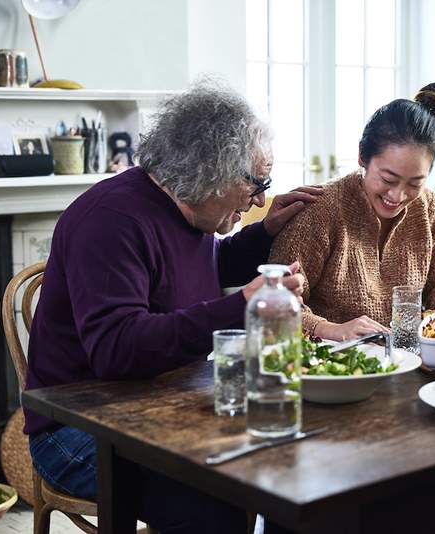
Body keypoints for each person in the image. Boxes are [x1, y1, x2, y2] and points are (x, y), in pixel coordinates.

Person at [23, 81, 322, 533]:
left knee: (287, 469)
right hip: (80, 427)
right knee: (213, 501)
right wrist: (243, 305)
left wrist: (265, 233)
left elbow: (201, 268)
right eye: (256, 183)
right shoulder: (111, 221)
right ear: (212, 172)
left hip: (159, 404)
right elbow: (116, 349)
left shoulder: (188, 208)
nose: (260, 199)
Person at [269, 82, 435, 340]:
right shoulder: (319, 210)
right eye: (387, 179)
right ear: (362, 157)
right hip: (328, 366)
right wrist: (331, 330)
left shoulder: (431, 209)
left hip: (408, 363)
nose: (397, 196)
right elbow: (275, 304)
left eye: (415, 183)